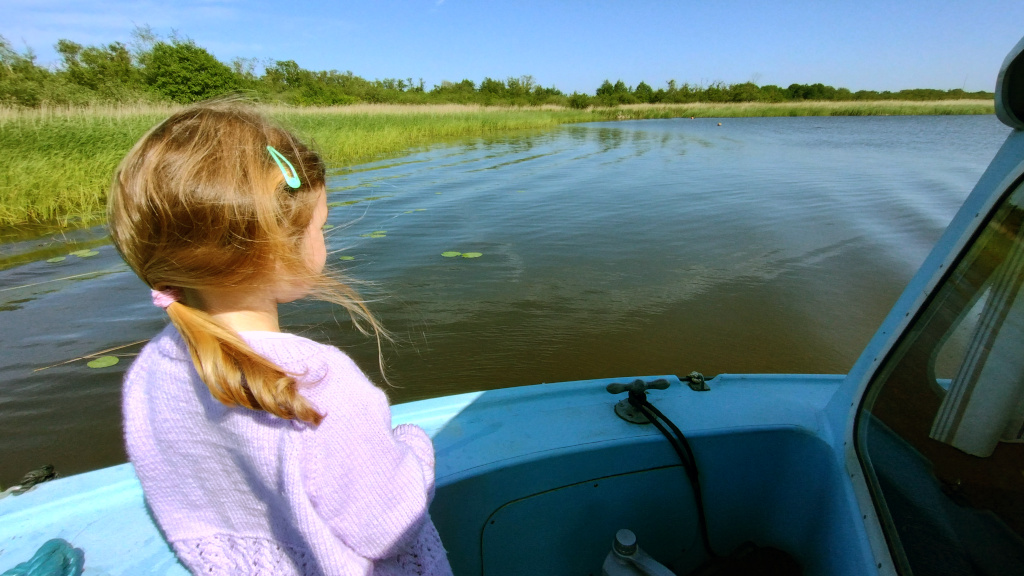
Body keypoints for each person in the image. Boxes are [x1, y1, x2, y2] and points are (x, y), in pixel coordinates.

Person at [108, 101, 453, 576]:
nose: (324, 241)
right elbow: (389, 525)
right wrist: (415, 446)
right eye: (321, 226)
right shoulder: (315, 379)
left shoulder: (151, 366)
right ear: (278, 248)